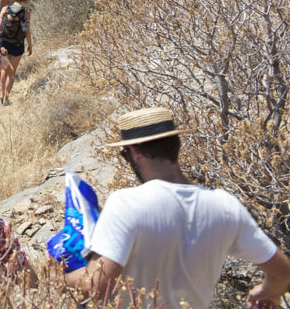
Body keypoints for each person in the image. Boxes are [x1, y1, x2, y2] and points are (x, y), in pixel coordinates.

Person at [65, 107, 290, 308]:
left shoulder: (127, 203)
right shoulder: (226, 205)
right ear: (177, 146)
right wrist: (268, 289)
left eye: (125, 154)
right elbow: (283, 272)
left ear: (134, 151)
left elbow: (97, 287)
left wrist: (56, 277)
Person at [0, 0, 31, 105]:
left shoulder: (5, 9)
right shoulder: (26, 12)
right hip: (17, 45)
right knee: (12, 73)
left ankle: (1, 93)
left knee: (5, 69)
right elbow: (26, 31)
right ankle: (6, 99)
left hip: (4, 44)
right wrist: (30, 45)